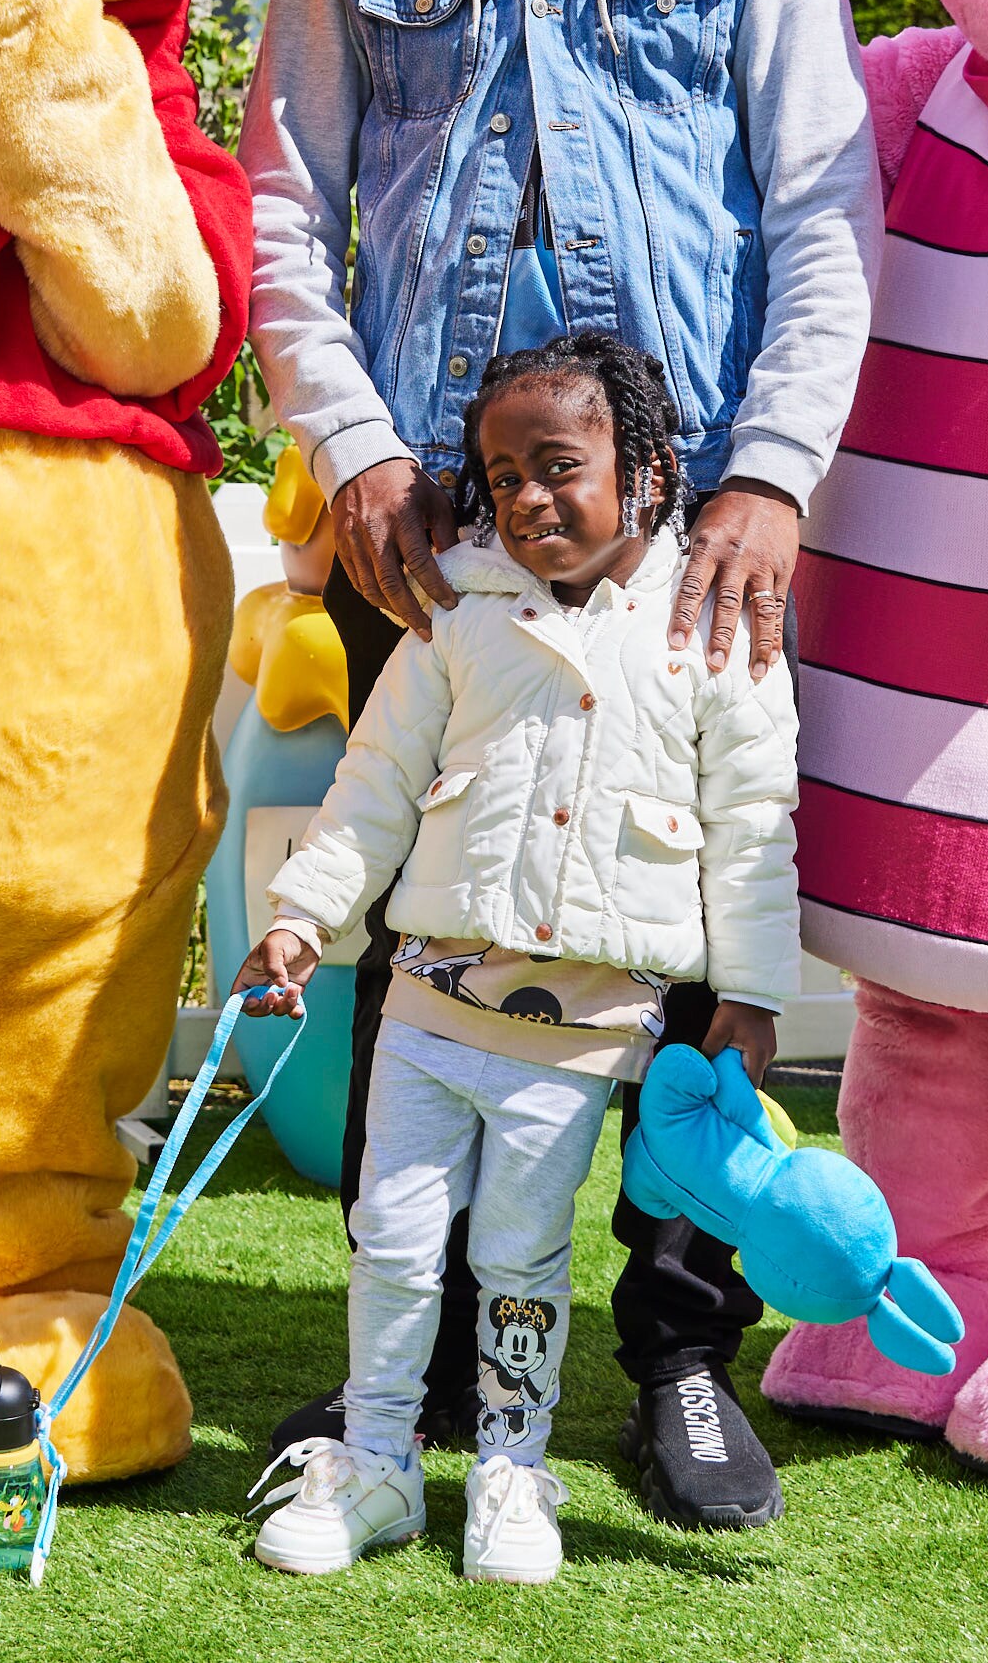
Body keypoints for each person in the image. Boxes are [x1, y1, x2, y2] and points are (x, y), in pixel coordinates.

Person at [237, 0, 879, 1527]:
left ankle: (679, 1349)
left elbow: (823, 210)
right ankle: (399, 1372)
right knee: (416, 915)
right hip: (427, 535)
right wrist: (344, 443)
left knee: (694, 932)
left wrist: (770, 470)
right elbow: (278, 207)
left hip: (691, 539)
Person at [234, 334, 801, 1584]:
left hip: (576, 1032)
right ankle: (378, 1460)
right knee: (390, 1236)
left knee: (520, 1258)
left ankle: (509, 1464)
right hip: (428, 1013)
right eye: (501, 476)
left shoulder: (713, 626)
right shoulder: (455, 615)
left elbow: (756, 823)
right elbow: (373, 783)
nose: (528, 499)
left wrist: (753, 992)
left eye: (560, 467)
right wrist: (300, 916)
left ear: (648, 471)